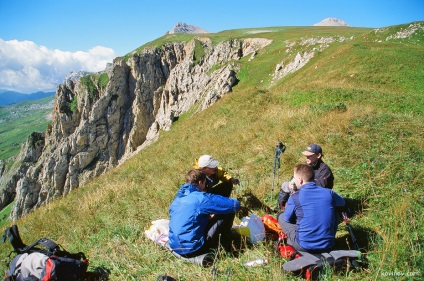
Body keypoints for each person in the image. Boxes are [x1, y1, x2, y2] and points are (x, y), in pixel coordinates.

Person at [168, 169, 241, 256]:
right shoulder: (201, 198)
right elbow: (234, 205)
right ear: (200, 183)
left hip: (174, 246)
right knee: (228, 210)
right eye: (204, 183)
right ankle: (224, 244)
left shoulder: (176, 200)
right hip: (195, 248)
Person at [277, 163, 345, 253]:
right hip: (329, 245)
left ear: (300, 180)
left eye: (294, 178)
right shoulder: (329, 192)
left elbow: (288, 218)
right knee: (334, 212)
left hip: (303, 246)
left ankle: (292, 240)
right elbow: (342, 202)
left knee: (281, 216)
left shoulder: (295, 197)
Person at [276, 144, 334, 210]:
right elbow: (295, 176)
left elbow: (320, 188)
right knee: (286, 185)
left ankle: (293, 210)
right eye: (306, 156)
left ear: (318, 155)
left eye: (309, 156)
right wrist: (292, 182)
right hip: (302, 189)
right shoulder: (305, 165)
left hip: (316, 196)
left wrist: (300, 187)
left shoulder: (324, 170)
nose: (307, 158)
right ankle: (281, 208)